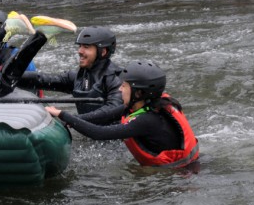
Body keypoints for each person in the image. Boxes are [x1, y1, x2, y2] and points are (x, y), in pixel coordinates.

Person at [47, 61, 200, 168]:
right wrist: (66, 119)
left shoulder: (148, 120)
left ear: (139, 93)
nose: (120, 90)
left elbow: (99, 133)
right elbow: (104, 116)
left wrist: (63, 114)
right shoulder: (144, 106)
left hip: (180, 173)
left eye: (124, 86)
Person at [17, 26, 124, 122]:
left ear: (103, 51)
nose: (80, 51)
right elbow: (43, 79)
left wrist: (67, 117)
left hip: (114, 139)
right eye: (80, 46)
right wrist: (8, 76)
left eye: (86, 47)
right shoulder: (78, 77)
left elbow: (113, 110)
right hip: (90, 133)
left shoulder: (116, 80)